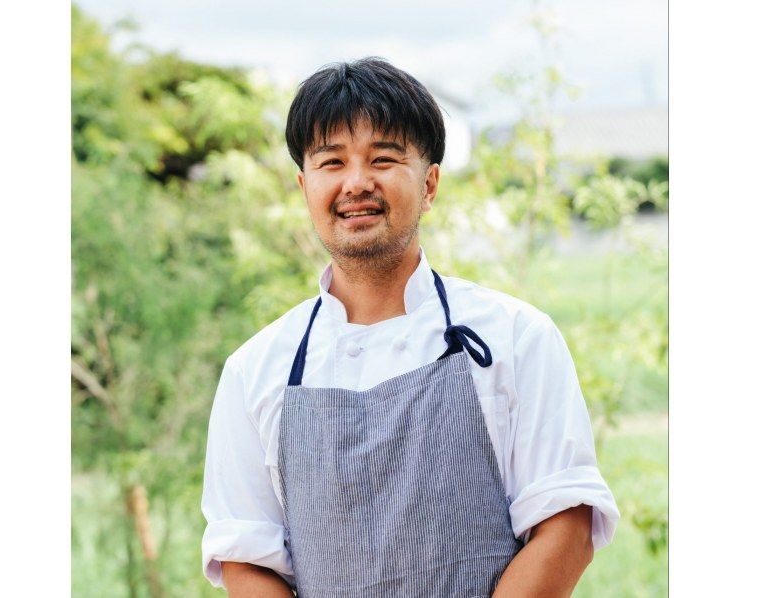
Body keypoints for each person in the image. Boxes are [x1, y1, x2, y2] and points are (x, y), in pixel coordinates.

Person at [201, 57, 619, 597]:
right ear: (304, 187)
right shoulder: (254, 370)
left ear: (429, 184)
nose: (356, 182)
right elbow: (245, 557)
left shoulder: (515, 337)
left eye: (383, 158)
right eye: (332, 162)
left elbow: (566, 523)